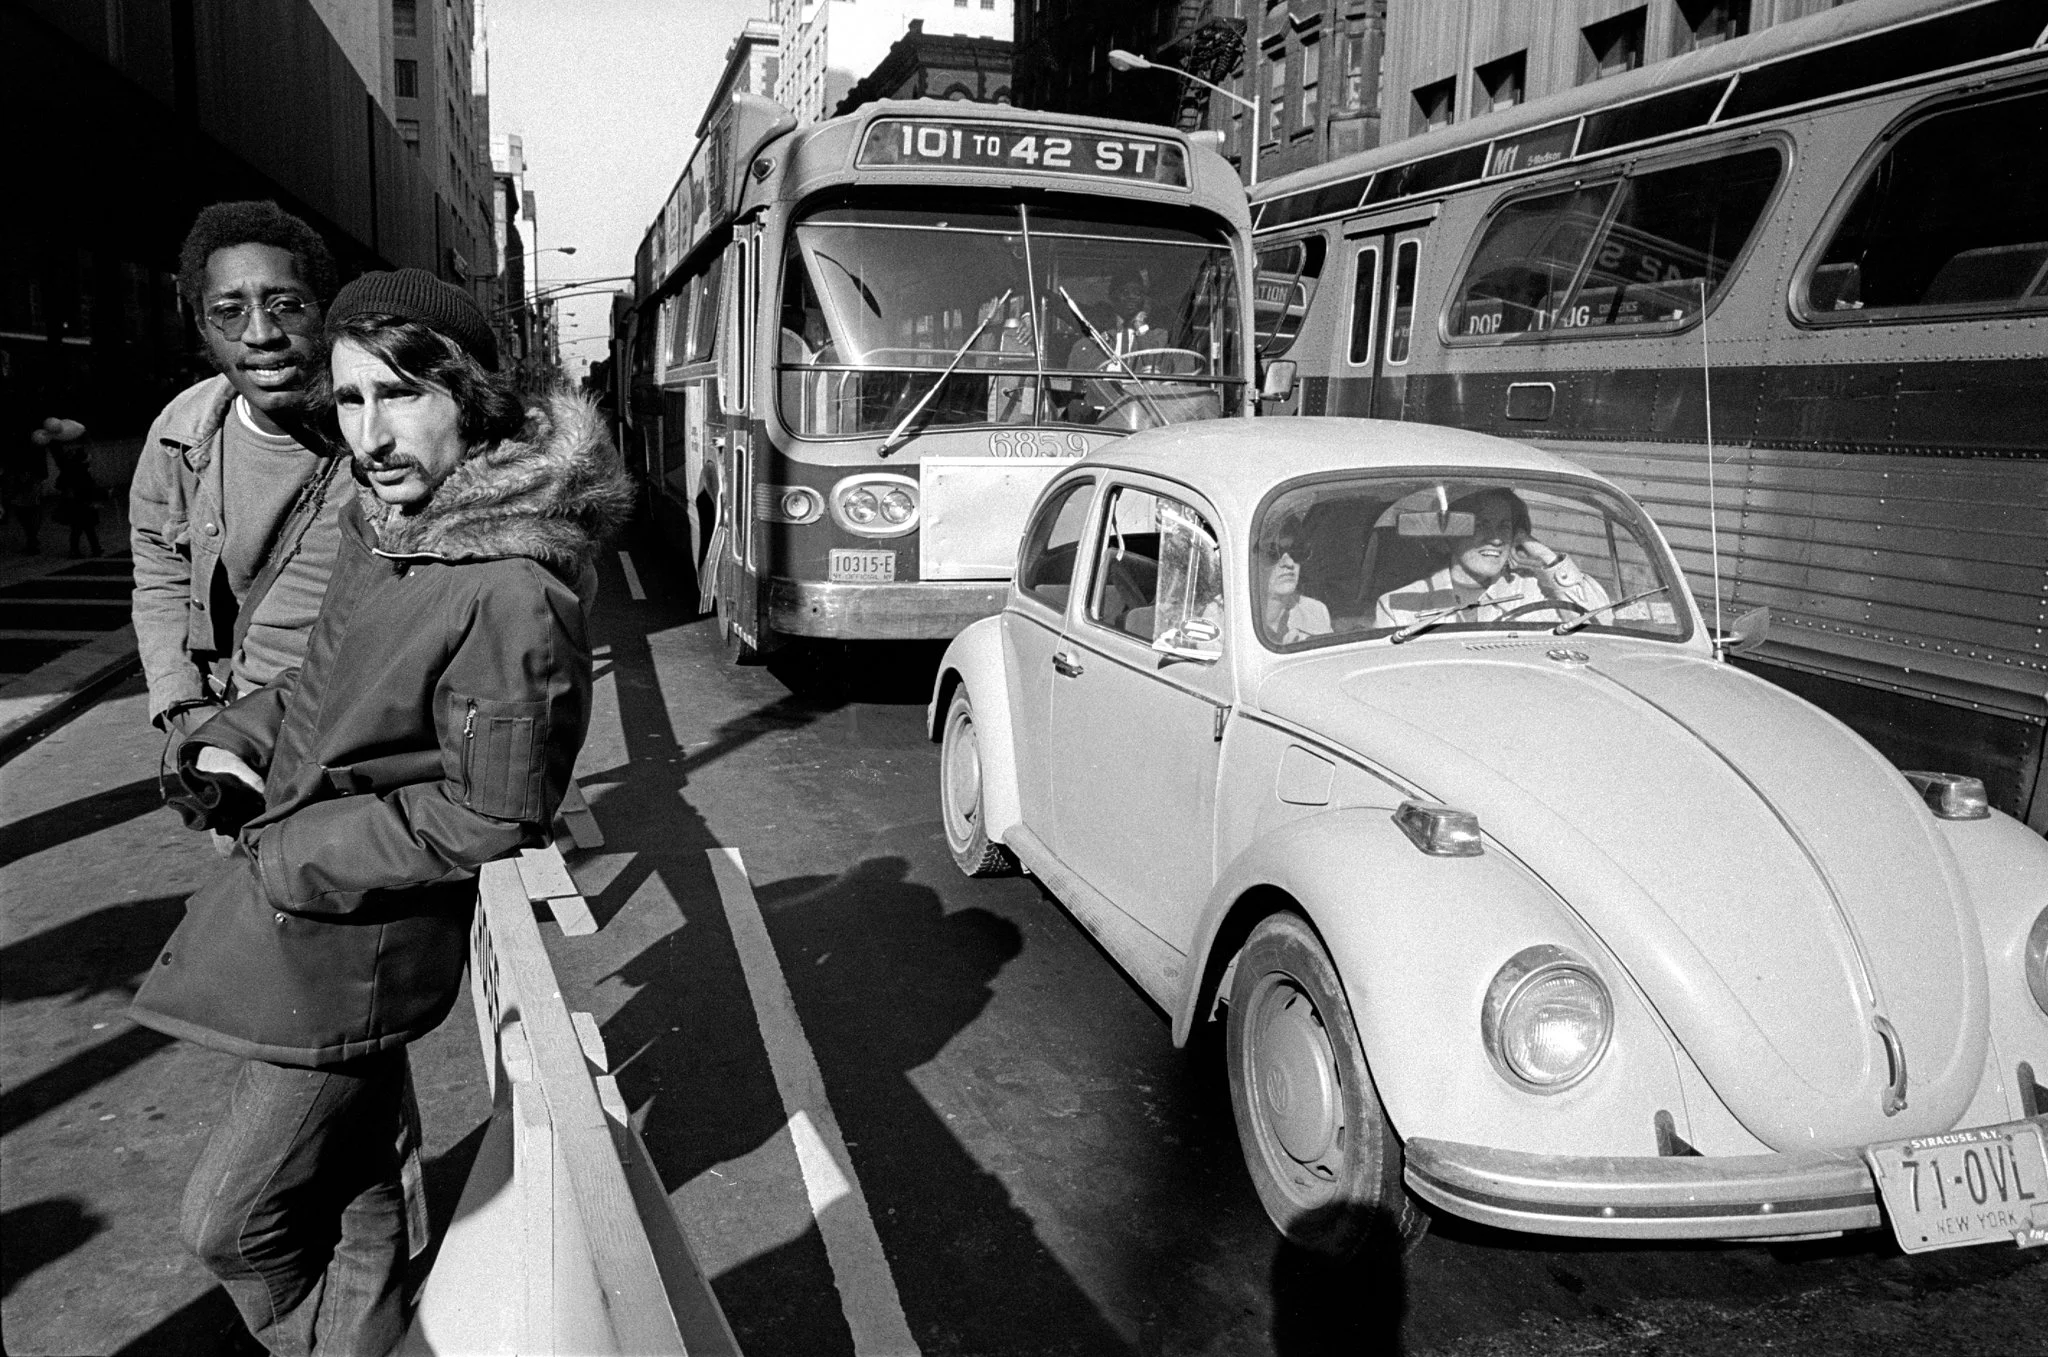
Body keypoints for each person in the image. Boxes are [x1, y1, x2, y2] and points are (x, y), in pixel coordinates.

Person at [128, 268, 633, 1356]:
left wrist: (292, 853)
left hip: (353, 945)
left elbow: (492, 814)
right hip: (312, 924)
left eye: (402, 394)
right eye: (352, 398)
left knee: (231, 1219)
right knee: (359, 1204)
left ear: (472, 398)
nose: (370, 433)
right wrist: (233, 738)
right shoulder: (393, 523)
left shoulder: (511, 586)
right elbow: (326, 682)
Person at [130, 201, 352, 747]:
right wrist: (184, 703)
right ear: (204, 327)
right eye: (229, 311)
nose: (261, 333)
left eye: (286, 305)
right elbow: (160, 568)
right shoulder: (180, 434)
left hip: (359, 734)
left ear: (324, 311)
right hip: (236, 733)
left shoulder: (380, 427)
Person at [1372, 487, 1610, 631]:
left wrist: (1546, 556)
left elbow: (1601, 626)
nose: (1496, 539)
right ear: (1450, 534)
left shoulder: (1535, 591)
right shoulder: (1399, 605)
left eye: (1504, 526)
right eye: (1480, 525)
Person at [1256, 517, 1333, 644]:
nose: (1289, 563)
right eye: (1272, 553)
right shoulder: (1225, 618)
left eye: (1296, 552)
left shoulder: (1317, 612)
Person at [43, 419, 101, 557]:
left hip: (76, 503)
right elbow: (89, 488)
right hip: (81, 503)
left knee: (80, 528)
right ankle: (89, 549)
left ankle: (88, 549)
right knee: (84, 528)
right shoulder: (79, 471)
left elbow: (59, 458)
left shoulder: (69, 469)